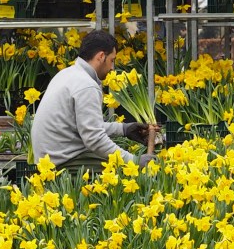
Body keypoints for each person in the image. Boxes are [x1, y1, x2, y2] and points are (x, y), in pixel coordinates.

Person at [30, 29, 154, 172]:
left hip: (50, 159)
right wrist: (134, 161)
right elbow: (94, 139)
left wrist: (123, 129)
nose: (112, 68)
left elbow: (84, 127)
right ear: (101, 56)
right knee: (121, 172)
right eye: (112, 60)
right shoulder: (86, 85)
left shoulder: (67, 74)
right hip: (65, 163)